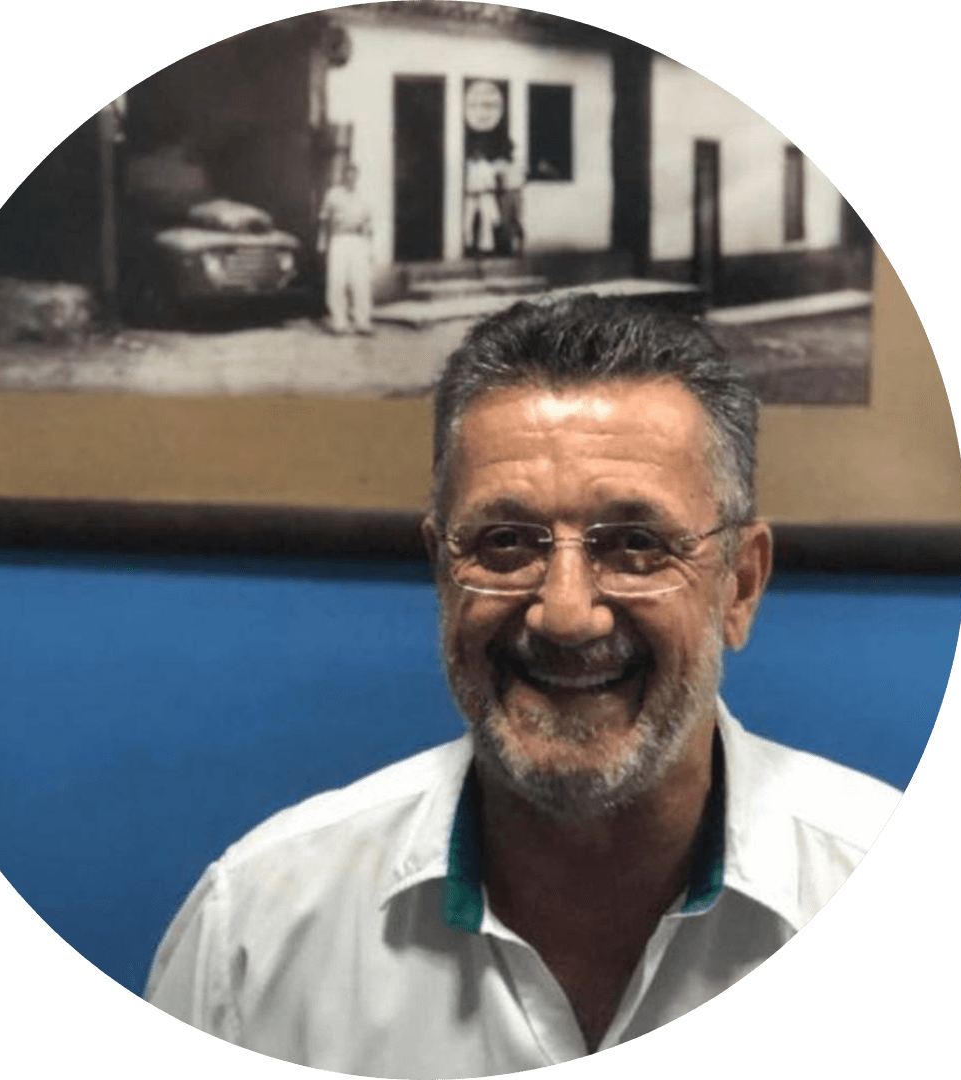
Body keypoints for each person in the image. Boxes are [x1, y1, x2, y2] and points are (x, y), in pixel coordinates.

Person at [145, 296, 901, 1069]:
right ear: (443, 572)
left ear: (739, 585)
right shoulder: (255, 936)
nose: (566, 614)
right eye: (505, 542)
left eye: (636, 544)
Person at [317, 162, 373, 336]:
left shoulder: (363, 196)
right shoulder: (333, 194)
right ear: (343, 176)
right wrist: (322, 243)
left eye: (353, 175)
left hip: (358, 241)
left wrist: (370, 248)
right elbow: (324, 219)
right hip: (339, 239)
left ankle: (362, 322)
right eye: (347, 175)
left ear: (357, 177)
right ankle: (339, 322)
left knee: (361, 281)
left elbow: (368, 224)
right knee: (337, 280)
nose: (350, 178)